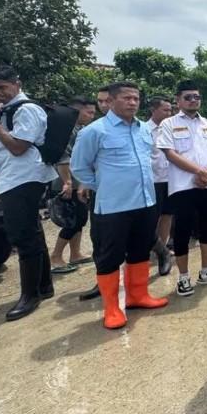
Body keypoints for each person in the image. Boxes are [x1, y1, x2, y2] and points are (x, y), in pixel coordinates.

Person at [71, 81, 169, 329]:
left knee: (139, 251)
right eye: (126, 98)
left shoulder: (143, 130)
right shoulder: (95, 131)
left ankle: (138, 296)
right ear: (111, 101)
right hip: (113, 206)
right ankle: (112, 307)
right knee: (109, 257)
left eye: (136, 98)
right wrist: (104, 186)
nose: (132, 102)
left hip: (145, 202)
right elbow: (79, 167)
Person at [0, 65, 58, 321]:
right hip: (10, 178)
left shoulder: (27, 110)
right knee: (32, 232)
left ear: (17, 84)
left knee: (22, 236)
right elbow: (0, 153)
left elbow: (17, 148)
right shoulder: (3, 112)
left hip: (26, 178)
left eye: (1, 87)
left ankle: (30, 295)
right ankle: (44, 286)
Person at [157, 81, 207, 297]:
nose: (193, 100)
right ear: (178, 100)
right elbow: (170, 153)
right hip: (183, 187)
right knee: (183, 232)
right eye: (188, 97)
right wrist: (199, 172)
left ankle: (206, 272)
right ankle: (184, 277)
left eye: (196, 97)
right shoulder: (168, 124)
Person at [48, 96, 97, 273]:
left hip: (78, 181)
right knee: (72, 221)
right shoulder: (68, 130)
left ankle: (75, 253)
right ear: (76, 110)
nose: (91, 116)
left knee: (80, 218)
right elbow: (63, 157)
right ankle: (56, 256)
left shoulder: (80, 129)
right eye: (89, 112)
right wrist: (67, 182)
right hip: (67, 181)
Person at [77, 85, 111, 302]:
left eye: (108, 100)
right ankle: (104, 282)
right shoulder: (92, 131)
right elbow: (81, 164)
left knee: (138, 235)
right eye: (100, 102)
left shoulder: (138, 128)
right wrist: (88, 184)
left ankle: (161, 252)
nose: (104, 105)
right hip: (102, 192)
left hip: (132, 193)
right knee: (100, 238)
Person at [145, 96, 174, 276]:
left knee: (167, 215)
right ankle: (149, 247)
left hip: (170, 179)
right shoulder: (144, 130)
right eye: (165, 110)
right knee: (151, 217)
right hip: (152, 180)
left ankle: (162, 249)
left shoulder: (170, 129)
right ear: (153, 110)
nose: (169, 113)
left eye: (170, 110)